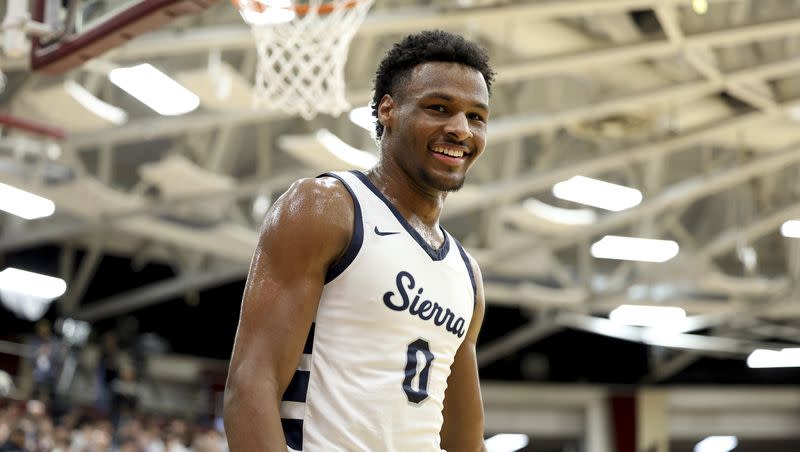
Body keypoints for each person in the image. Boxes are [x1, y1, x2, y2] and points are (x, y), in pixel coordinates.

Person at [224, 29, 494, 452]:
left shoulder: (466, 275)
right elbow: (250, 385)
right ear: (388, 109)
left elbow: (464, 438)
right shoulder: (325, 208)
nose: (460, 129)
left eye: (476, 117)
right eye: (439, 108)